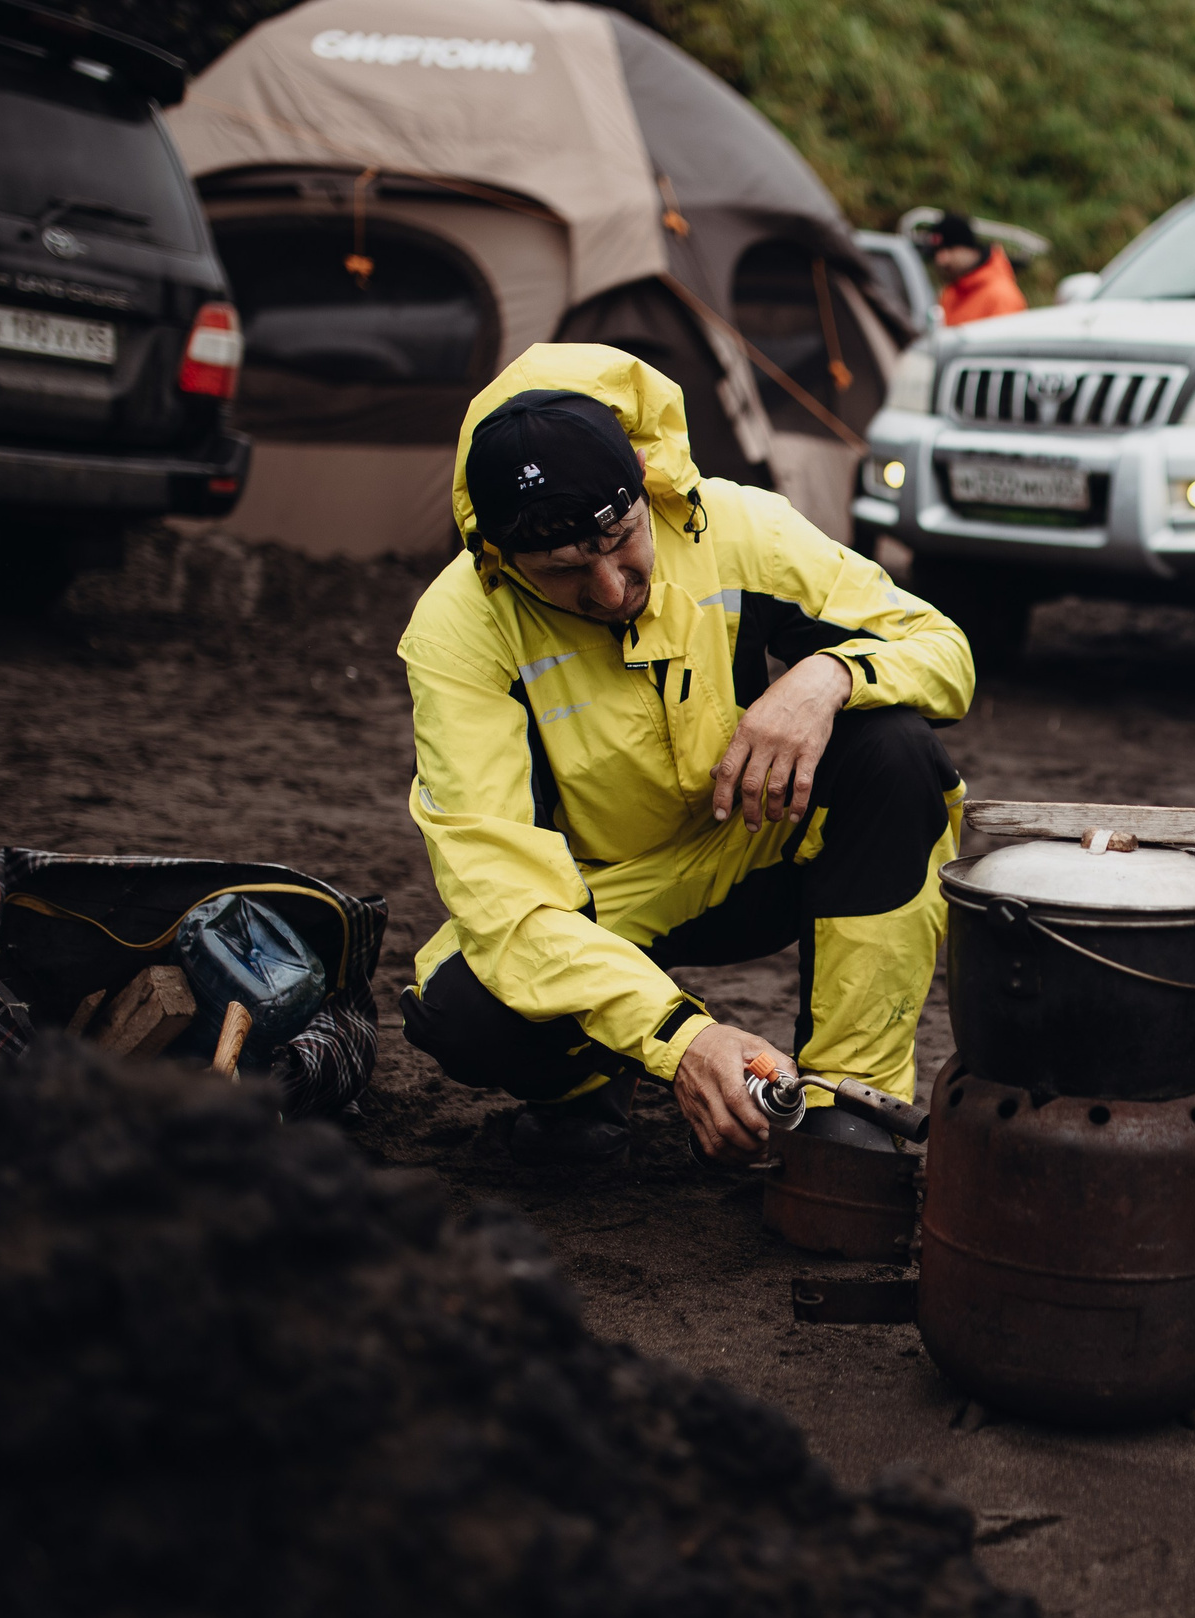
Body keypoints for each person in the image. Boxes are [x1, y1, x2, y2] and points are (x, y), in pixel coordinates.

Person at [396, 344, 973, 1166]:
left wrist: (827, 677)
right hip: (599, 903)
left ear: (641, 478)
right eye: (562, 571)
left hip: (755, 848)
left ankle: (848, 1108)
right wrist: (681, 1038)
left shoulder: (733, 525)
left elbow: (943, 649)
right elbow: (509, 904)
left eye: (621, 538)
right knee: (463, 1008)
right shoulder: (458, 631)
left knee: (898, 754)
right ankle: (584, 1091)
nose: (610, 587)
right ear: (498, 555)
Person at [919, 211, 1026, 325]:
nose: (941, 260)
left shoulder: (1001, 296)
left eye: (949, 249)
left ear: (968, 247)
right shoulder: (950, 294)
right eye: (935, 253)